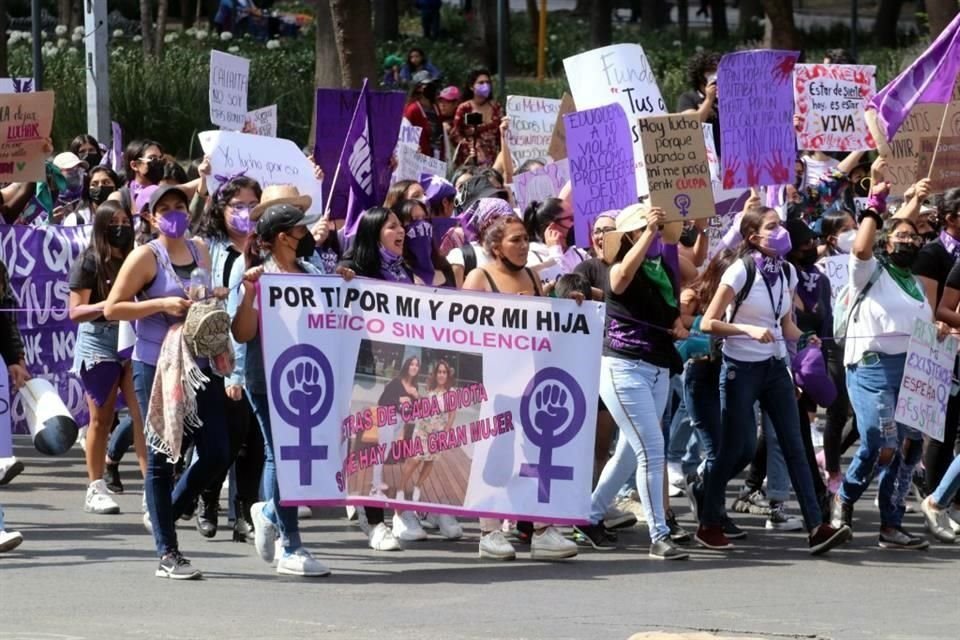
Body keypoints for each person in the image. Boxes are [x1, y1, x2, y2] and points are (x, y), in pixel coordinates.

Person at [700, 206, 852, 555]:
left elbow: (786, 325)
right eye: (772, 227)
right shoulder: (740, 270)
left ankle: (817, 527)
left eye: (780, 224)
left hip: (774, 370)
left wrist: (803, 338)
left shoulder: (786, 272)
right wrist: (747, 330)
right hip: (740, 370)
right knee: (734, 448)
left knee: (795, 445)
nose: (781, 231)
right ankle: (709, 522)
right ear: (754, 238)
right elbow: (708, 323)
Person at [104, 185, 231, 580]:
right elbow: (112, 307)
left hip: (198, 359)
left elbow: (203, 293)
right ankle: (168, 552)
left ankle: (168, 513)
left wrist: (212, 297)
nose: (174, 213)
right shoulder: (147, 256)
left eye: (180, 206)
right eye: (165, 209)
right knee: (161, 457)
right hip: (155, 364)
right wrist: (160, 304)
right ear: (150, 217)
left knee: (217, 450)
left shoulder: (199, 249)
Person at [568, 205, 689, 559]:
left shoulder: (660, 267)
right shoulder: (613, 267)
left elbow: (671, 313)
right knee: (651, 450)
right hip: (623, 368)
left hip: (657, 367)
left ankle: (588, 517)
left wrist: (679, 325)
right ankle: (659, 534)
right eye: (643, 230)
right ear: (630, 235)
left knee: (628, 454)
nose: (652, 233)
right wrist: (647, 232)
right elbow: (619, 282)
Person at [463, 214, 579, 561]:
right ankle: (490, 531)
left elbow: (543, 324)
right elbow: (460, 329)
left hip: (531, 382)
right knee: (495, 457)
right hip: (494, 384)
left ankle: (542, 529)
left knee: (536, 454)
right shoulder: (479, 278)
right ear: (495, 245)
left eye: (526, 239)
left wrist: (566, 305)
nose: (524, 245)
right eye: (515, 239)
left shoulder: (530, 275)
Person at [230, 201, 336, 577]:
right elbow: (241, 334)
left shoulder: (310, 271)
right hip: (268, 380)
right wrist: (249, 294)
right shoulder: (260, 277)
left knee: (299, 458)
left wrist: (345, 285)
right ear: (281, 238)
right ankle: (292, 545)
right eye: (300, 230)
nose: (306, 236)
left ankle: (269, 510)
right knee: (285, 456)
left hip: (311, 378)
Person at [829, 179, 933, 550]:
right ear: (886, 244)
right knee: (880, 441)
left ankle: (891, 523)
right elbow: (861, 246)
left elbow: (918, 324)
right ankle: (844, 498)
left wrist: (916, 200)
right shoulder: (870, 272)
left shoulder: (915, 283)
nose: (908, 240)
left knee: (909, 446)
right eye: (900, 237)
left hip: (911, 370)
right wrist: (876, 202)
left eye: (914, 237)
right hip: (871, 368)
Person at [192, 175, 266, 543]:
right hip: (218, 355)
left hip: (259, 357)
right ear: (221, 210)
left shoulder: (265, 248)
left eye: (253, 204)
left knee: (253, 441)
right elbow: (196, 293)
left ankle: (244, 512)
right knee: (224, 439)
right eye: (238, 205)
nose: (246, 212)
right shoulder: (210, 248)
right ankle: (208, 499)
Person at [338, 207, 417, 552]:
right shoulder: (352, 273)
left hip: (397, 375)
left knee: (387, 446)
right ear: (373, 233)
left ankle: (390, 511)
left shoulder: (405, 274)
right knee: (369, 446)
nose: (401, 232)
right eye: (393, 227)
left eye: (402, 227)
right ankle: (375, 523)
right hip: (364, 376)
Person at [68, 200, 146, 515]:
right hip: (98, 341)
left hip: (133, 338)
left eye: (126, 222)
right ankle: (95, 487)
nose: (121, 228)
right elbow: (75, 312)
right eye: (114, 222)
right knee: (101, 417)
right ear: (101, 226)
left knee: (142, 416)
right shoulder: (89, 262)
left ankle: (150, 487)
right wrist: (110, 306)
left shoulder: (136, 259)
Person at [912, 186, 960, 504]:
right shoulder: (932, 254)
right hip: (938, 346)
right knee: (938, 428)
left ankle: (949, 496)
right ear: (952, 218)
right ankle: (931, 492)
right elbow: (930, 308)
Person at [523, 198, 587, 283]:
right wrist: (555, 251)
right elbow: (563, 288)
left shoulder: (580, 254)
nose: (576, 222)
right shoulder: (532, 258)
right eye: (571, 219)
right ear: (552, 226)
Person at [450, 68, 502, 167]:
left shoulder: (496, 107)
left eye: (487, 82)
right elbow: (455, 134)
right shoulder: (464, 108)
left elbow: (502, 135)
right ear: (471, 87)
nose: (485, 85)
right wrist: (470, 147)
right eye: (481, 83)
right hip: (470, 160)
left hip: (493, 160)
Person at [678, 52, 720, 152]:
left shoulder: (724, 98)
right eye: (712, 71)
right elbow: (691, 125)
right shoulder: (688, 98)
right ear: (700, 76)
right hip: (704, 158)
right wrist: (709, 100)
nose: (716, 75)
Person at [116, 139, 165, 213]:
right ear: (134, 165)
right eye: (152, 158)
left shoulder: (165, 192)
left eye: (160, 158)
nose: (158, 162)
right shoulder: (123, 197)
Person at [404, 75, 443, 159]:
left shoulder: (436, 108)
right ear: (418, 88)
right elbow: (405, 134)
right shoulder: (412, 110)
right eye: (427, 85)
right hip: (420, 159)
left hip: (437, 156)